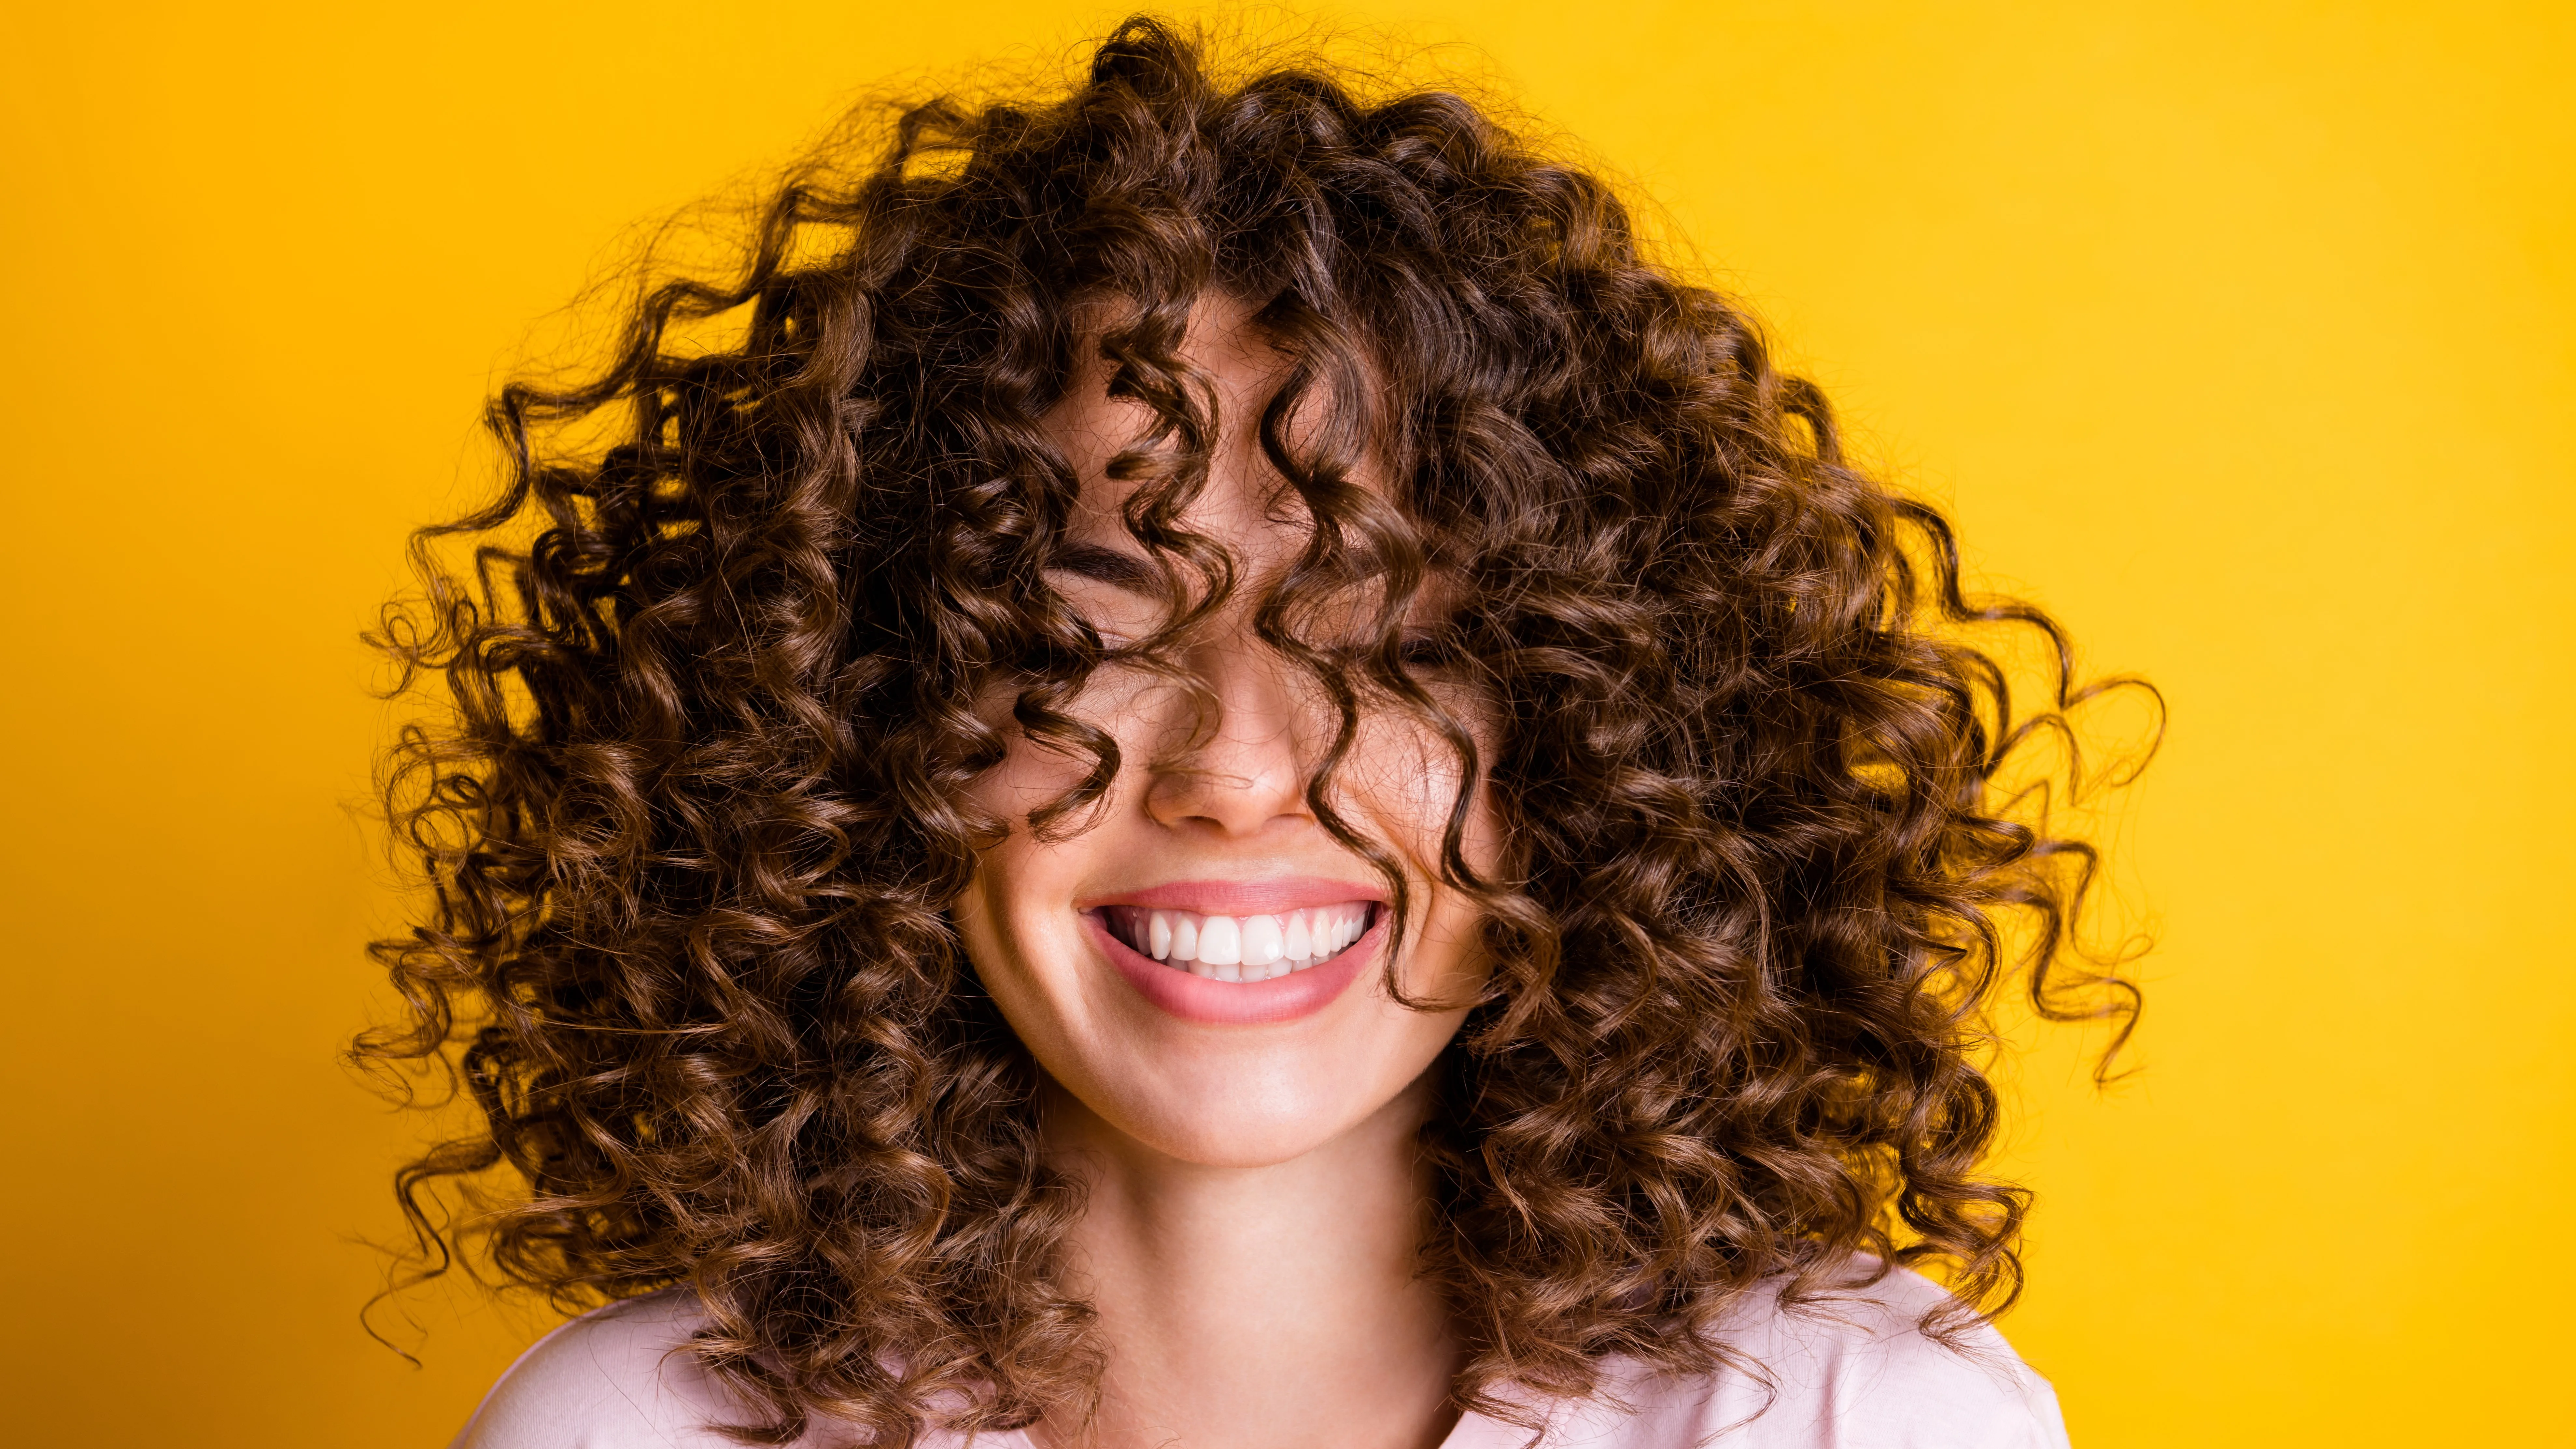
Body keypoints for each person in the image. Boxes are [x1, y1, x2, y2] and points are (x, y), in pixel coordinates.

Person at [363, 16, 2145, 1448]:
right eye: (1087, 635)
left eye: (1396, 646)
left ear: (1600, 743)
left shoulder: (1860, 1419)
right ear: (863, 727)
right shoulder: (640, 1433)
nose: (1235, 770)